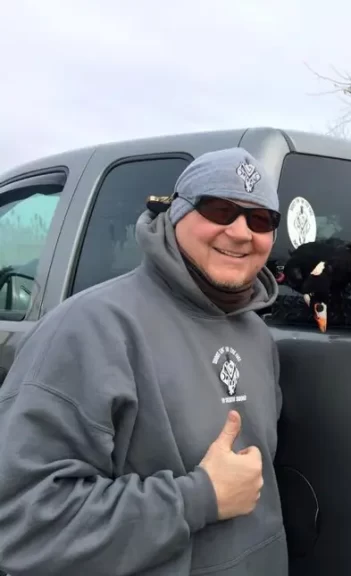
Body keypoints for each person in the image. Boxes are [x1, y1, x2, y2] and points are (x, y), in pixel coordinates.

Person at [0, 148, 289, 575]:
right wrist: (200, 497)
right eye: (219, 209)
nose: (241, 232)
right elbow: (23, 524)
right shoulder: (91, 328)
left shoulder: (257, 336)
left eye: (260, 219)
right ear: (175, 214)